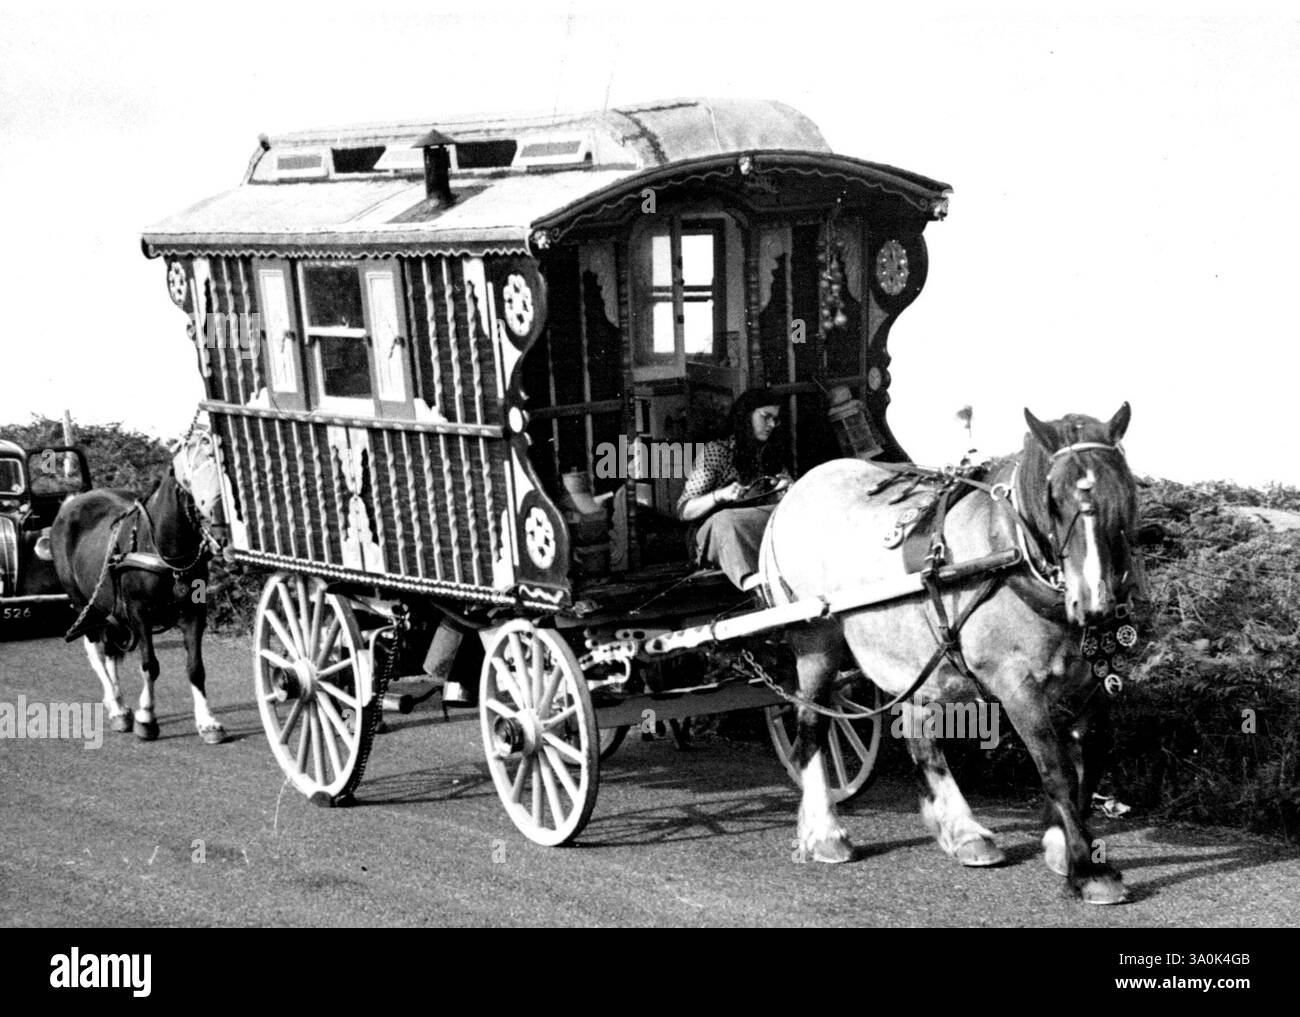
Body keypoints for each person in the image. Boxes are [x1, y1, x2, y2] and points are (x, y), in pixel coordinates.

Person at [677, 388, 792, 589]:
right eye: (766, 417)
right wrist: (719, 496)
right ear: (746, 415)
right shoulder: (716, 452)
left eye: (776, 419)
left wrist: (786, 490)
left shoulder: (770, 452)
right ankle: (752, 583)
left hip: (752, 529)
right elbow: (683, 510)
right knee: (727, 520)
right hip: (716, 535)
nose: (772, 425)